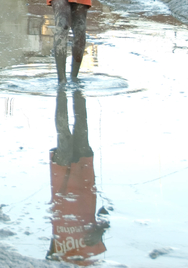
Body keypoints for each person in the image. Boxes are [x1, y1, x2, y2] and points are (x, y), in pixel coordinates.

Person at [46, 87, 108, 264]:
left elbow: (49, 253)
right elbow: (105, 220)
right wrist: (98, 233)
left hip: (61, 187)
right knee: (81, 127)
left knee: (63, 131)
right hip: (84, 185)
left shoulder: (58, 260)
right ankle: (77, 92)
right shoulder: (90, 258)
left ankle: (62, 92)